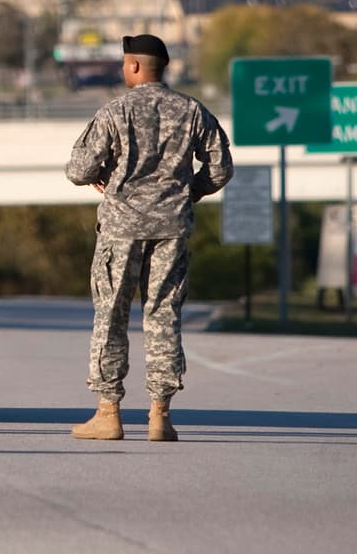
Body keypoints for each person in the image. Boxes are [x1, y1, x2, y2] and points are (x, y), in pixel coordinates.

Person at [65, 34, 233, 442]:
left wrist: (105, 177)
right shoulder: (192, 111)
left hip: (122, 227)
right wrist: (185, 192)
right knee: (163, 315)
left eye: (124, 63)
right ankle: (160, 414)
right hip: (171, 228)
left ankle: (108, 412)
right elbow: (220, 168)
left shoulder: (116, 111)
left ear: (135, 67)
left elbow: (78, 169)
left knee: (111, 317)